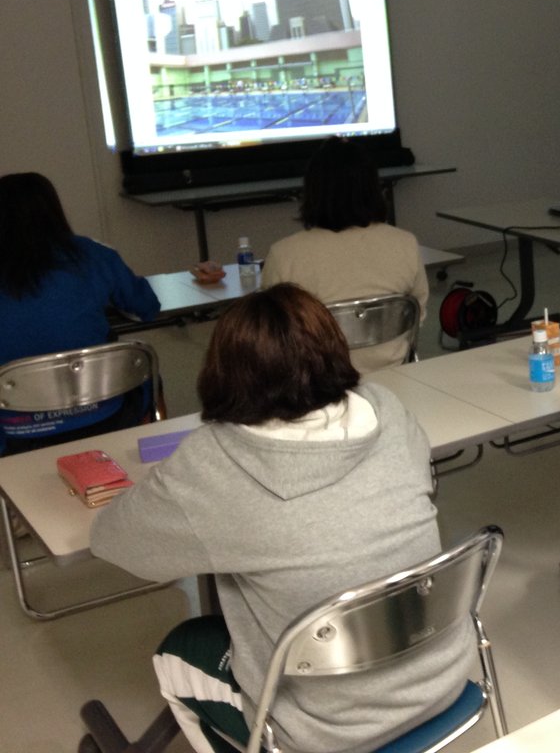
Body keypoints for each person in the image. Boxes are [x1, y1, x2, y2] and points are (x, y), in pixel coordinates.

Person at [90, 284, 470, 753]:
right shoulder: (386, 409)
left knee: (179, 649)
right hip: (441, 679)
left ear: (223, 371)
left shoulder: (212, 461)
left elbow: (115, 543)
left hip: (323, 729)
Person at [0, 172, 160, 453]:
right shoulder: (92, 254)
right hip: (105, 415)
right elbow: (147, 307)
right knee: (148, 371)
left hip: (16, 431)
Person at [261, 138, 428, 372]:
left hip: (318, 382)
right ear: (373, 188)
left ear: (312, 191)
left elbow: (272, 333)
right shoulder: (405, 243)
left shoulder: (283, 254)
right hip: (394, 374)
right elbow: (418, 315)